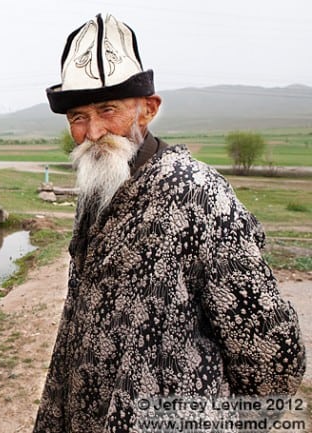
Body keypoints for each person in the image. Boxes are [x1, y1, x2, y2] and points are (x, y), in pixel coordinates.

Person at [33, 13, 306, 433]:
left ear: (148, 109)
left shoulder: (199, 193)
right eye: (77, 117)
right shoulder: (99, 188)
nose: (93, 132)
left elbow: (271, 352)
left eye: (108, 109)